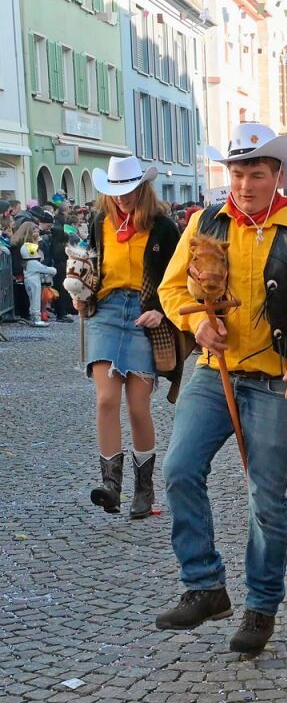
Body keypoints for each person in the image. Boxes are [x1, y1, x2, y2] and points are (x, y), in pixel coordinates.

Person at [156, 123, 287, 654]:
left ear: (278, 176)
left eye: (256, 173)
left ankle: (261, 605)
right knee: (179, 468)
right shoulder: (205, 223)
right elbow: (172, 286)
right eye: (237, 173)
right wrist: (193, 321)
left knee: (265, 495)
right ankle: (204, 585)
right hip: (213, 370)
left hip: (276, 379)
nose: (245, 184)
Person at [81, 156, 185, 518]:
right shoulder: (99, 221)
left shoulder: (163, 228)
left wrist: (161, 308)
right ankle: (111, 485)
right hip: (107, 312)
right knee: (106, 399)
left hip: (146, 315)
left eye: (127, 191)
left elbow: (179, 277)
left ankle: (144, 488)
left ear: (142, 190)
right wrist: (80, 286)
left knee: (138, 405)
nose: (121, 198)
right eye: (115, 192)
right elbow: (93, 265)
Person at [19, 227, 57, 327]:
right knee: (35, 299)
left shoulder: (28, 262)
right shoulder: (33, 262)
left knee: (33, 299)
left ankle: (33, 316)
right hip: (33, 282)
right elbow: (45, 269)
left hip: (31, 281)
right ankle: (36, 318)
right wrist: (53, 270)